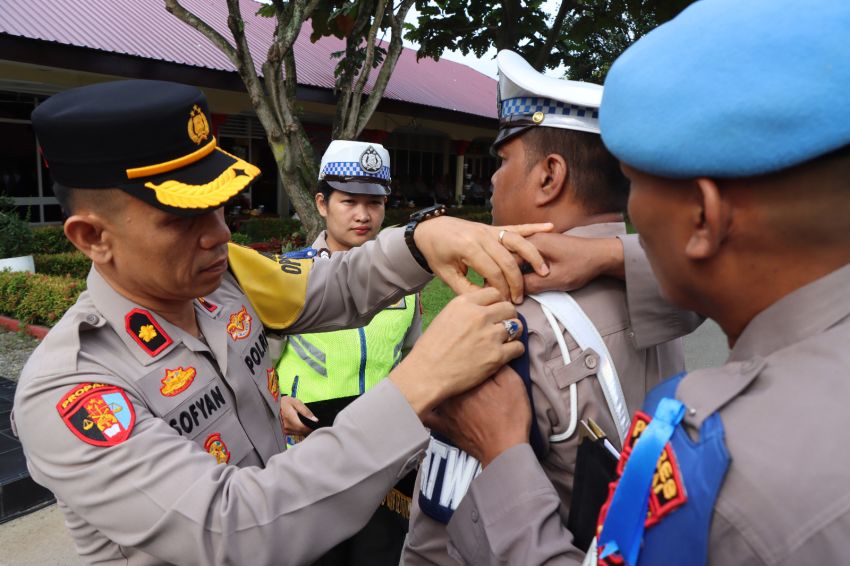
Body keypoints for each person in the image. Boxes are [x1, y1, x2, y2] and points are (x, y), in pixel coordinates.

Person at [10, 79, 554, 565]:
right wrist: (417, 386)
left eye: (221, 205)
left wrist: (420, 240)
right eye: (182, 217)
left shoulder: (224, 280)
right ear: (92, 238)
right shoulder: (73, 388)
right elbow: (232, 528)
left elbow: (331, 285)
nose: (220, 233)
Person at [436, 0, 850, 563]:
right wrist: (606, 257)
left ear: (702, 216)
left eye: (634, 184)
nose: (628, 214)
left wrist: (503, 455)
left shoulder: (716, 467)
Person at [403, 49, 694, 565]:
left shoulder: (501, 328)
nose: (490, 180)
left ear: (549, 176)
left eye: (502, 161)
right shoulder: (672, 286)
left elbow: (440, 535)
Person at [276, 140, 422, 565]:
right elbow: (254, 367)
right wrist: (276, 403)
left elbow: (411, 359)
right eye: (349, 201)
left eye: (374, 203)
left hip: (382, 459)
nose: (363, 215)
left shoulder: (404, 282)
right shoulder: (287, 277)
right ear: (322, 204)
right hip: (308, 454)